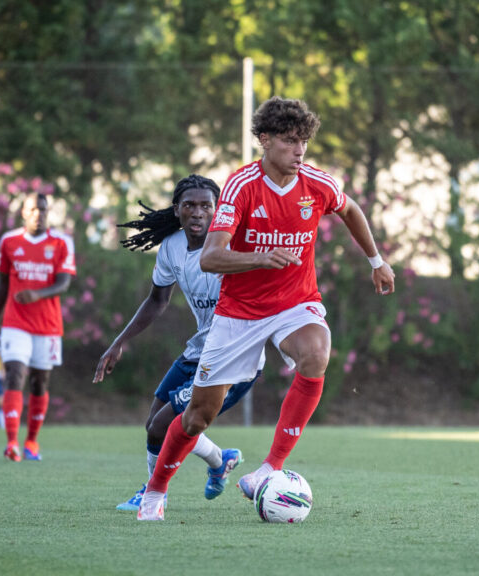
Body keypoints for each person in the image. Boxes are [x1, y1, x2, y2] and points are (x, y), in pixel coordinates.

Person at [137, 96, 396, 521]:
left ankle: (269, 469)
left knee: (316, 353)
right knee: (197, 417)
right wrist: (260, 257)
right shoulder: (241, 186)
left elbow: (348, 208)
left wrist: (376, 260)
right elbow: (209, 258)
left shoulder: (316, 183)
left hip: (295, 302)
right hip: (239, 313)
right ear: (265, 140)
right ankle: (154, 492)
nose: (299, 151)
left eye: (304, 142)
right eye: (290, 142)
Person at [94, 174, 257, 511]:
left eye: (206, 206)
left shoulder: (235, 244)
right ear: (177, 210)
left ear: (218, 210)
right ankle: (219, 459)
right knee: (154, 423)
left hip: (232, 358)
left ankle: (155, 493)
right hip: (197, 350)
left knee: (161, 426)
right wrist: (118, 342)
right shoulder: (171, 245)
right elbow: (157, 300)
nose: (198, 212)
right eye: (190, 205)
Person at [0, 192, 76, 462]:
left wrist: (36, 295)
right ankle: (11, 444)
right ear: (24, 213)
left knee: (40, 382)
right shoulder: (9, 241)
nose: (39, 214)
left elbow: (63, 283)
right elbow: (3, 283)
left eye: (43, 209)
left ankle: (31, 442)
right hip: (15, 322)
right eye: (33, 209)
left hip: (48, 326)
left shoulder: (63, 242)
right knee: (14, 374)